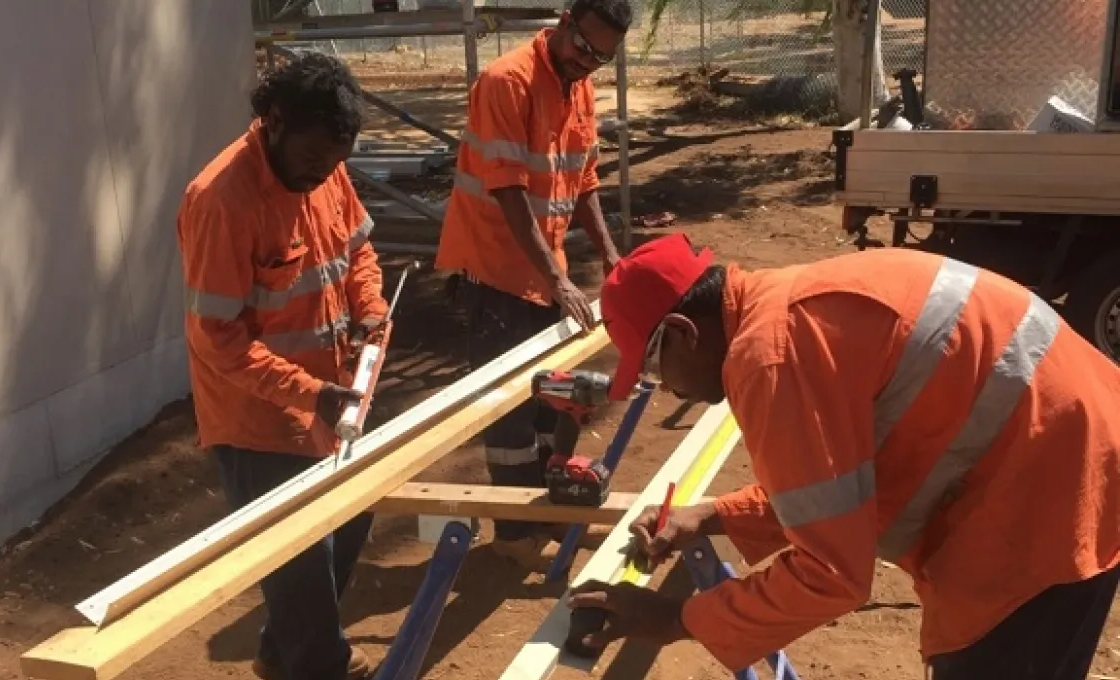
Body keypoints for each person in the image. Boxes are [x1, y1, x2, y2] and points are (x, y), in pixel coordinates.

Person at [569, 232, 1120, 680]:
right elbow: (835, 485)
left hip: (1049, 498)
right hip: (1076, 450)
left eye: (651, 369)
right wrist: (712, 516)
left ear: (684, 333)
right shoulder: (787, 308)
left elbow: (830, 573)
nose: (665, 389)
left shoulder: (771, 357)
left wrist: (674, 618)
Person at [176, 53, 386, 680]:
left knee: (349, 519)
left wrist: (371, 309)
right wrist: (307, 391)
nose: (323, 173)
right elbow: (218, 339)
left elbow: (359, 251)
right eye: (313, 159)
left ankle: (279, 654)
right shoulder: (220, 202)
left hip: (329, 399)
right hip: (256, 418)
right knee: (296, 559)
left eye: (334, 161)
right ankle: (317, 666)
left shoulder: (326, 169)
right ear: (273, 121)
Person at [433, 0, 633, 571]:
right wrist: (557, 279)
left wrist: (610, 254)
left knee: (555, 398)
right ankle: (516, 533)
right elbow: (508, 188)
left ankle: (548, 508)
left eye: (602, 58)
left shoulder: (580, 85)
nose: (587, 62)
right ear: (565, 20)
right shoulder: (506, 81)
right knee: (509, 412)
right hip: (494, 270)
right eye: (583, 47)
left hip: (545, 271)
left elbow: (584, 177)